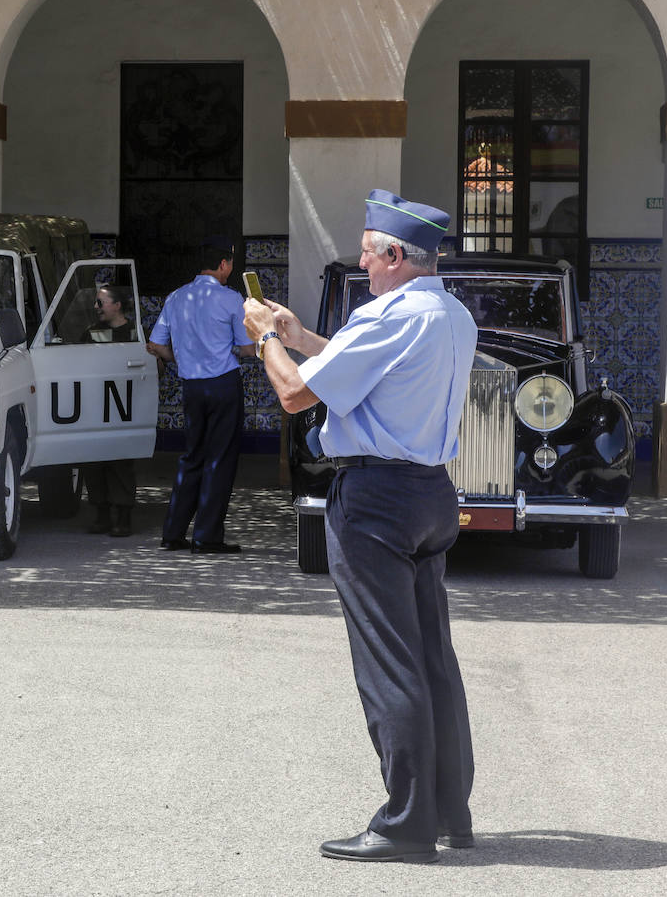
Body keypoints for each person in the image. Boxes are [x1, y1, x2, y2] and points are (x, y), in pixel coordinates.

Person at [243, 189, 477, 863]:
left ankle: (404, 825)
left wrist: (263, 337)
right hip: (429, 491)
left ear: (398, 256)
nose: (366, 268)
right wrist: (297, 337)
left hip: (377, 497)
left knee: (389, 666)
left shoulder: (390, 314)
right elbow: (349, 368)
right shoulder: (449, 315)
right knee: (433, 660)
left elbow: (294, 394)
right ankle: (448, 812)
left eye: (371, 255)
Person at [146, 235, 254, 554]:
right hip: (223, 384)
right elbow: (247, 348)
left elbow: (156, 346)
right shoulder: (231, 299)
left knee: (192, 456)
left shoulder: (176, 297)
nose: (231, 269)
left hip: (191, 387)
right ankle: (206, 536)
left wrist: (183, 358)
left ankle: (173, 533)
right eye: (231, 263)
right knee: (219, 459)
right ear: (223, 264)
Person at [81, 284, 138, 537]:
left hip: (125, 407)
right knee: (94, 461)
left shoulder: (136, 334)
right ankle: (101, 515)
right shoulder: (91, 333)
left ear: (117, 305)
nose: (96, 307)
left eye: (101, 302)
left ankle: (123, 517)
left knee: (121, 462)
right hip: (96, 406)